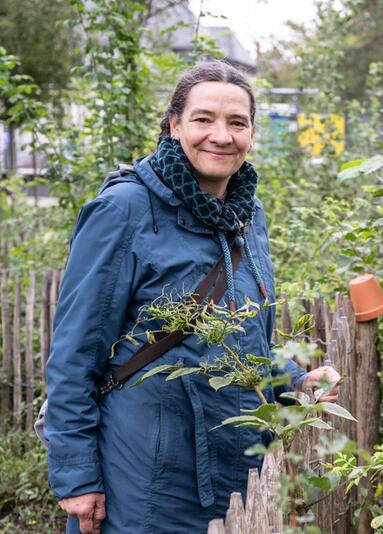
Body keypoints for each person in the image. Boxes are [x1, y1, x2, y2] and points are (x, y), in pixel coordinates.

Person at [44, 60, 339, 534]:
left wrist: (294, 380)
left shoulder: (248, 215)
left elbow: (238, 341)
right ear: (174, 124)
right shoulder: (124, 210)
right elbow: (74, 355)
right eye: (203, 119)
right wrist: (78, 477)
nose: (220, 135)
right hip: (145, 479)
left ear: (252, 133)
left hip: (238, 468)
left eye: (237, 122)